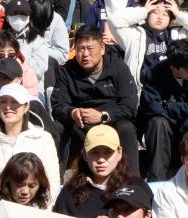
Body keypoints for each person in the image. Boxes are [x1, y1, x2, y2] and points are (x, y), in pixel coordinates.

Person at [51, 25, 141, 176]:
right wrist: (72, 112)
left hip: (111, 119)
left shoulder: (118, 68)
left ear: (102, 48)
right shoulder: (66, 71)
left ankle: (133, 181)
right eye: (80, 49)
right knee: (58, 127)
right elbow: (58, 104)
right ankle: (55, 179)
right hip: (80, 123)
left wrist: (103, 116)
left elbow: (130, 106)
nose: (85, 54)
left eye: (90, 48)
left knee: (127, 127)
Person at [138, 40, 188, 182]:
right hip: (162, 131)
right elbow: (151, 107)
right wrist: (186, 108)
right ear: (173, 68)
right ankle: (157, 179)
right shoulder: (155, 73)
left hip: (187, 126)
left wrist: (170, 106)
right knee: (157, 122)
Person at [0, 84, 60, 201]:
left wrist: (43, 209)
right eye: (3, 102)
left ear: (26, 107)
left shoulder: (44, 138)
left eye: (15, 101)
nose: (8, 107)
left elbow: (52, 181)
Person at [108, 0, 188, 93]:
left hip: (173, 93)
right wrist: (143, 10)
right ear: (147, 15)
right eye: (155, 12)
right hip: (142, 93)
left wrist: (178, 14)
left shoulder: (179, 35)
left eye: (165, 14)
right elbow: (114, 20)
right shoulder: (134, 35)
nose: (160, 17)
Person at [53, 125, 134, 218]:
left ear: (119, 153)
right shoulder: (69, 193)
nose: (101, 159)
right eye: (94, 152)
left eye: (107, 152)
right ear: (85, 155)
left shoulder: (133, 190)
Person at [0, 57, 59, 145]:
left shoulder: (34, 106)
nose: (2, 83)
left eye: (7, 78)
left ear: (20, 79)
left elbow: (53, 140)